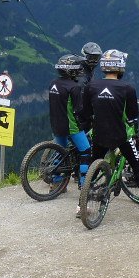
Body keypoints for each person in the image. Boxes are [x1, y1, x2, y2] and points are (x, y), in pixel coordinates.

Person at [79, 49, 139, 222]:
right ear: (121, 67)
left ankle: (81, 205)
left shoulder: (91, 86)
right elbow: (132, 116)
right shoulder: (127, 88)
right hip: (121, 136)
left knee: (94, 167)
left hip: (99, 135)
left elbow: (85, 113)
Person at [48, 53, 93, 187]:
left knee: (60, 151)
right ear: (70, 70)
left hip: (56, 124)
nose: (79, 70)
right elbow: (79, 110)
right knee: (85, 151)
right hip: (71, 126)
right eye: (77, 68)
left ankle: (56, 183)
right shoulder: (74, 87)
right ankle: (84, 183)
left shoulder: (53, 84)